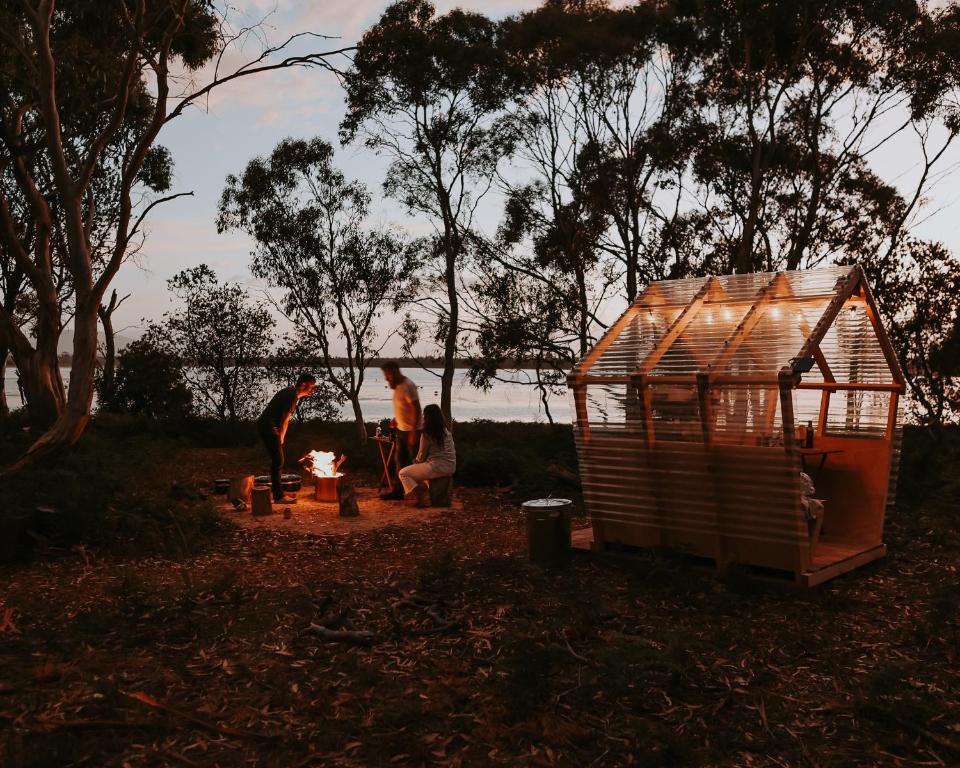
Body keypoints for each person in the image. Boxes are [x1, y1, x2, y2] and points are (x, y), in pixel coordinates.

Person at [257, 373, 317, 504]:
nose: (312, 390)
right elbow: (285, 420)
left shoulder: (291, 393)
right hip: (269, 426)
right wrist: (281, 438)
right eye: (311, 387)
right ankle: (278, 496)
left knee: (277, 460)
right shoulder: (291, 396)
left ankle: (278, 493)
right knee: (278, 460)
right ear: (302, 385)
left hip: (268, 426)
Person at [380, 360, 422, 500]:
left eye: (387, 376)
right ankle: (399, 491)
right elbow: (405, 408)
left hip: (411, 431)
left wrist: (414, 432)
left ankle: (416, 494)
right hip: (401, 430)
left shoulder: (408, 386)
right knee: (400, 462)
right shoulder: (398, 387)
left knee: (413, 464)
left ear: (394, 372)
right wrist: (397, 419)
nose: (386, 379)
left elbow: (416, 408)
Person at [399, 404, 456, 507]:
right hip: (450, 466)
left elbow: (421, 456)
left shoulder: (427, 433)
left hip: (436, 466)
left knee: (403, 473)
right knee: (420, 470)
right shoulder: (445, 431)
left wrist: (414, 462)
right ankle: (425, 491)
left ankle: (420, 498)